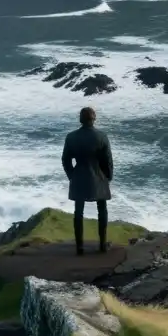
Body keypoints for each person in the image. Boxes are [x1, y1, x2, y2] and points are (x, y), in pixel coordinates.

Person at [62, 106, 113, 255]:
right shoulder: (102, 136)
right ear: (94, 119)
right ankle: (103, 245)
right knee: (102, 210)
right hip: (99, 177)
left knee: (78, 212)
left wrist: (72, 175)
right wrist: (108, 177)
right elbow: (108, 160)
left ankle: (79, 247)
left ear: (80, 119)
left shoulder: (71, 137)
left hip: (79, 176)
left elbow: (65, 160)